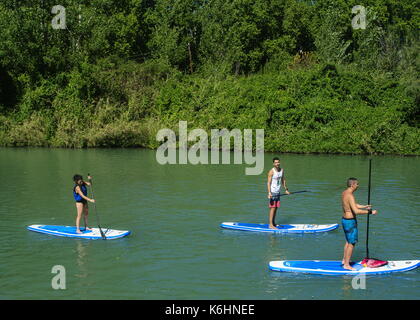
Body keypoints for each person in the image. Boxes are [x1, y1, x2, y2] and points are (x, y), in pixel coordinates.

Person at [341, 177, 377, 270]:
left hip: (344, 220)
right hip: (350, 222)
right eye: (357, 184)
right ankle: (347, 265)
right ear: (352, 185)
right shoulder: (350, 195)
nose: (358, 185)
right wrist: (370, 212)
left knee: (348, 241)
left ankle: (344, 261)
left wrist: (364, 206)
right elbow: (356, 211)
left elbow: (353, 205)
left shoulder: (345, 193)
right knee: (352, 243)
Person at [267, 157, 290, 229]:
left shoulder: (282, 170)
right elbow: (268, 183)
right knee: (272, 208)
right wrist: (269, 193)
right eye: (276, 162)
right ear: (273, 163)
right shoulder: (271, 171)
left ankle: (273, 223)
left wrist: (286, 189)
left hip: (278, 192)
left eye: (278, 162)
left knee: (276, 208)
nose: (277, 164)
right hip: (273, 192)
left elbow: (283, 180)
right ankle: (270, 225)